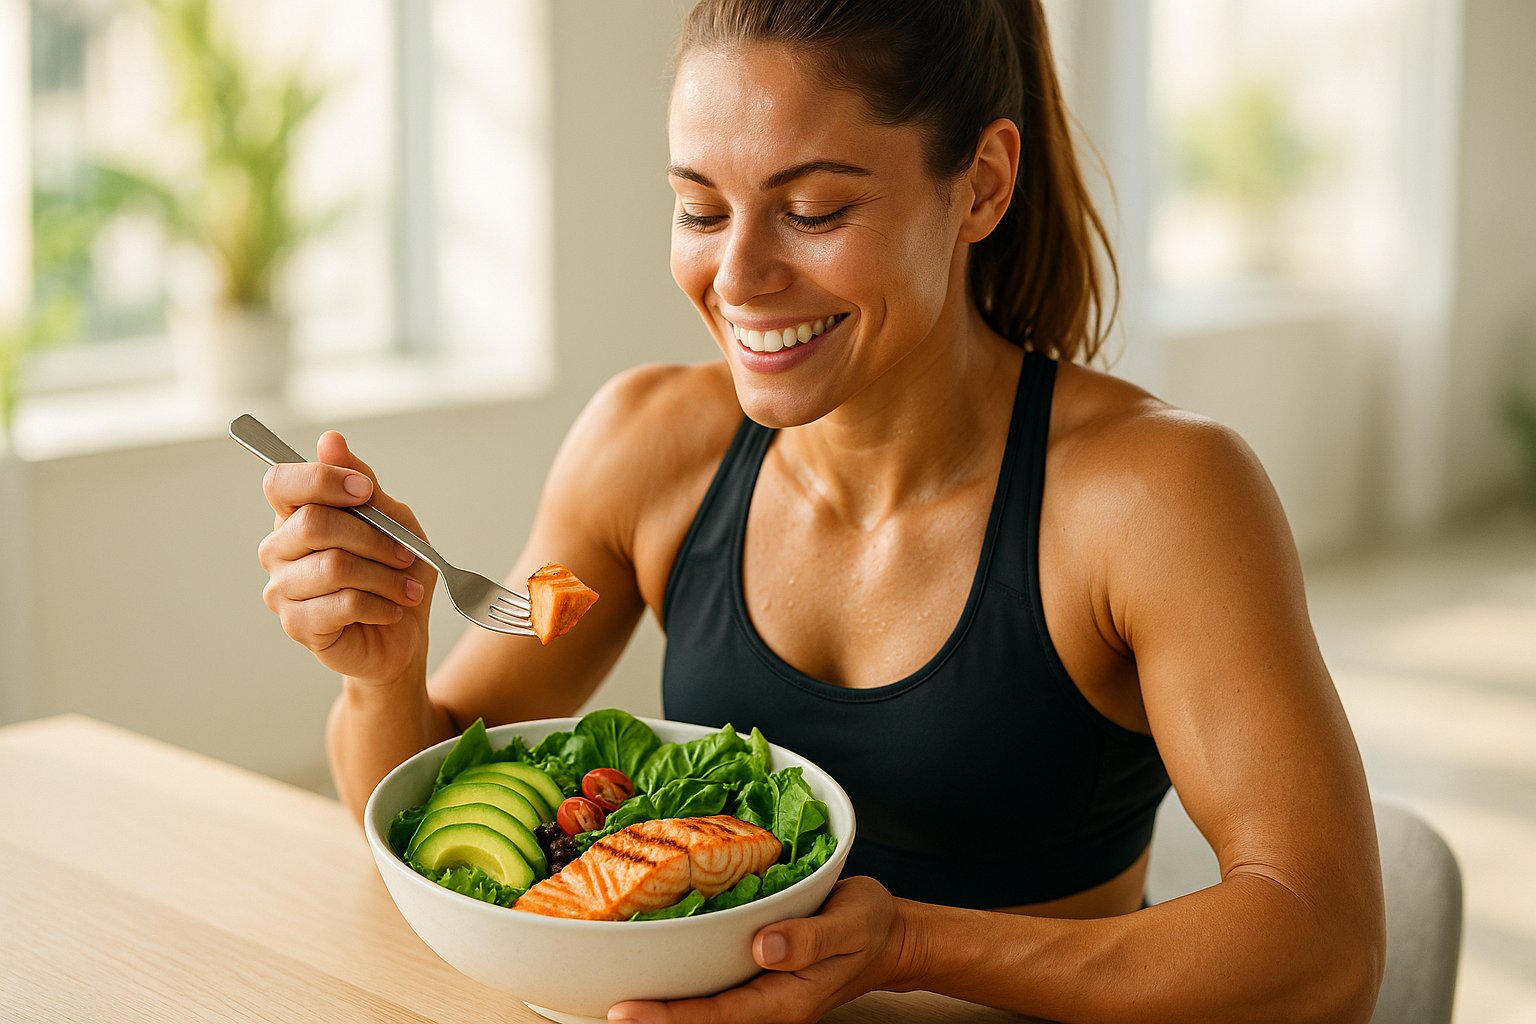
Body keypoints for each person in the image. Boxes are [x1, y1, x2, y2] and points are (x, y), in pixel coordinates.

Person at [254, 1, 1386, 1021]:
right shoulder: (643, 454)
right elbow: (429, 796)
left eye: (813, 209)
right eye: (700, 209)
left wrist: (906, 942)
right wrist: (382, 672)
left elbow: (1324, 942)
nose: (738, 276)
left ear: (983, 184)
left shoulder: (1156, 497)